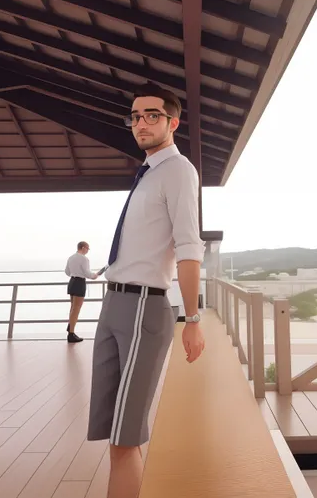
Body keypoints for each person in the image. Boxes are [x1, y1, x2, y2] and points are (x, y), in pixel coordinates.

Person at [87, 82, 205, 498]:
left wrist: (191, 319)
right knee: (112, 432)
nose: (141, 123)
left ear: (173, 122)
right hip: (114, 302)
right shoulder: (148, 173)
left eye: (152, 115)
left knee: (125, 435)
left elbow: (189, 245)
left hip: (143, 307)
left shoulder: (177, 171)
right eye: (135, 116)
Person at [65, 241, 98, 343]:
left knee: (73, 307)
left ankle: (70, 327)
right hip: (79, 282)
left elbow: (67, 271)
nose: (88, 250)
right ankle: (71, 333)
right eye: (88, 248)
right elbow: (87, 273)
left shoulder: (71, 257)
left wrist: (75, 273)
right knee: (76, 308)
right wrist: (95, 276)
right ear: (83, 248)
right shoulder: (84, 259)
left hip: (72, 281)